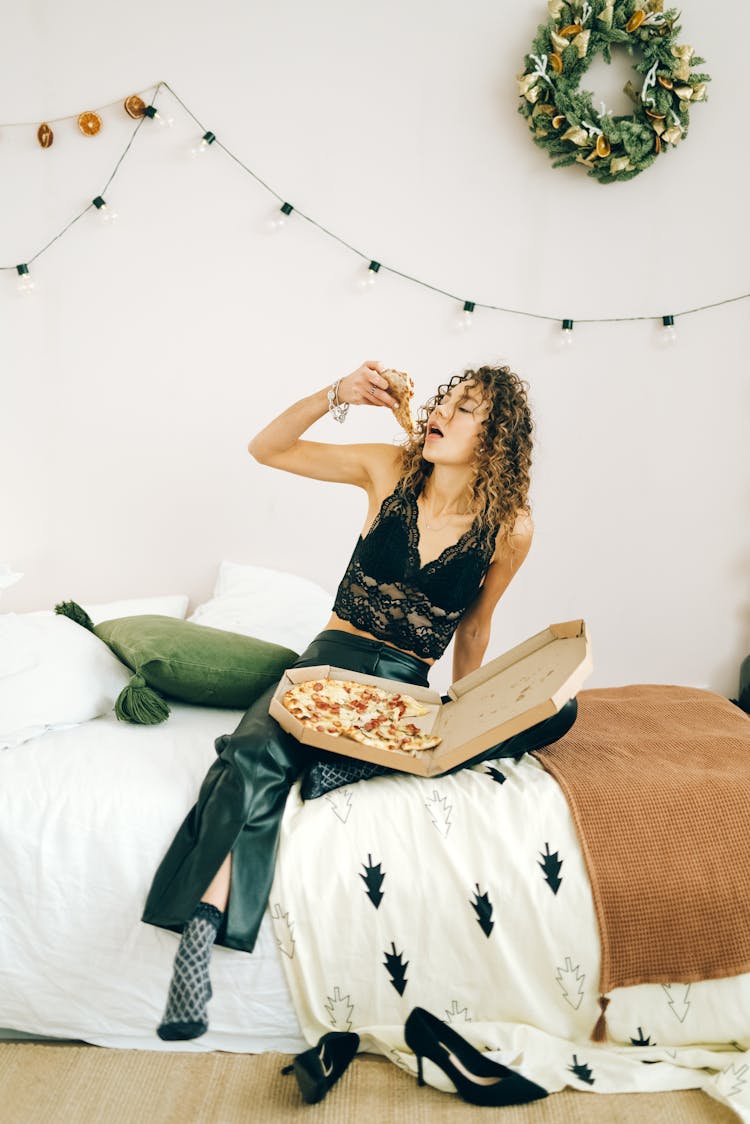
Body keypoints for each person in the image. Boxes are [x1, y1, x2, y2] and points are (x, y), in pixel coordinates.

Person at [142, 359, 577, 1053]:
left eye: (466, 409)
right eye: (448, 401)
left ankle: (356, 760)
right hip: (326, 663)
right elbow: (268, 448)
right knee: (251, 755)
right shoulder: (389, 469)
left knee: (558, 715)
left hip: (404, 689)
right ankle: (201, 927)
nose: (444, 412)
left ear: (495, 438)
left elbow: (475, 628)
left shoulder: (511, 527)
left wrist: (468, 711)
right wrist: (335, 394)